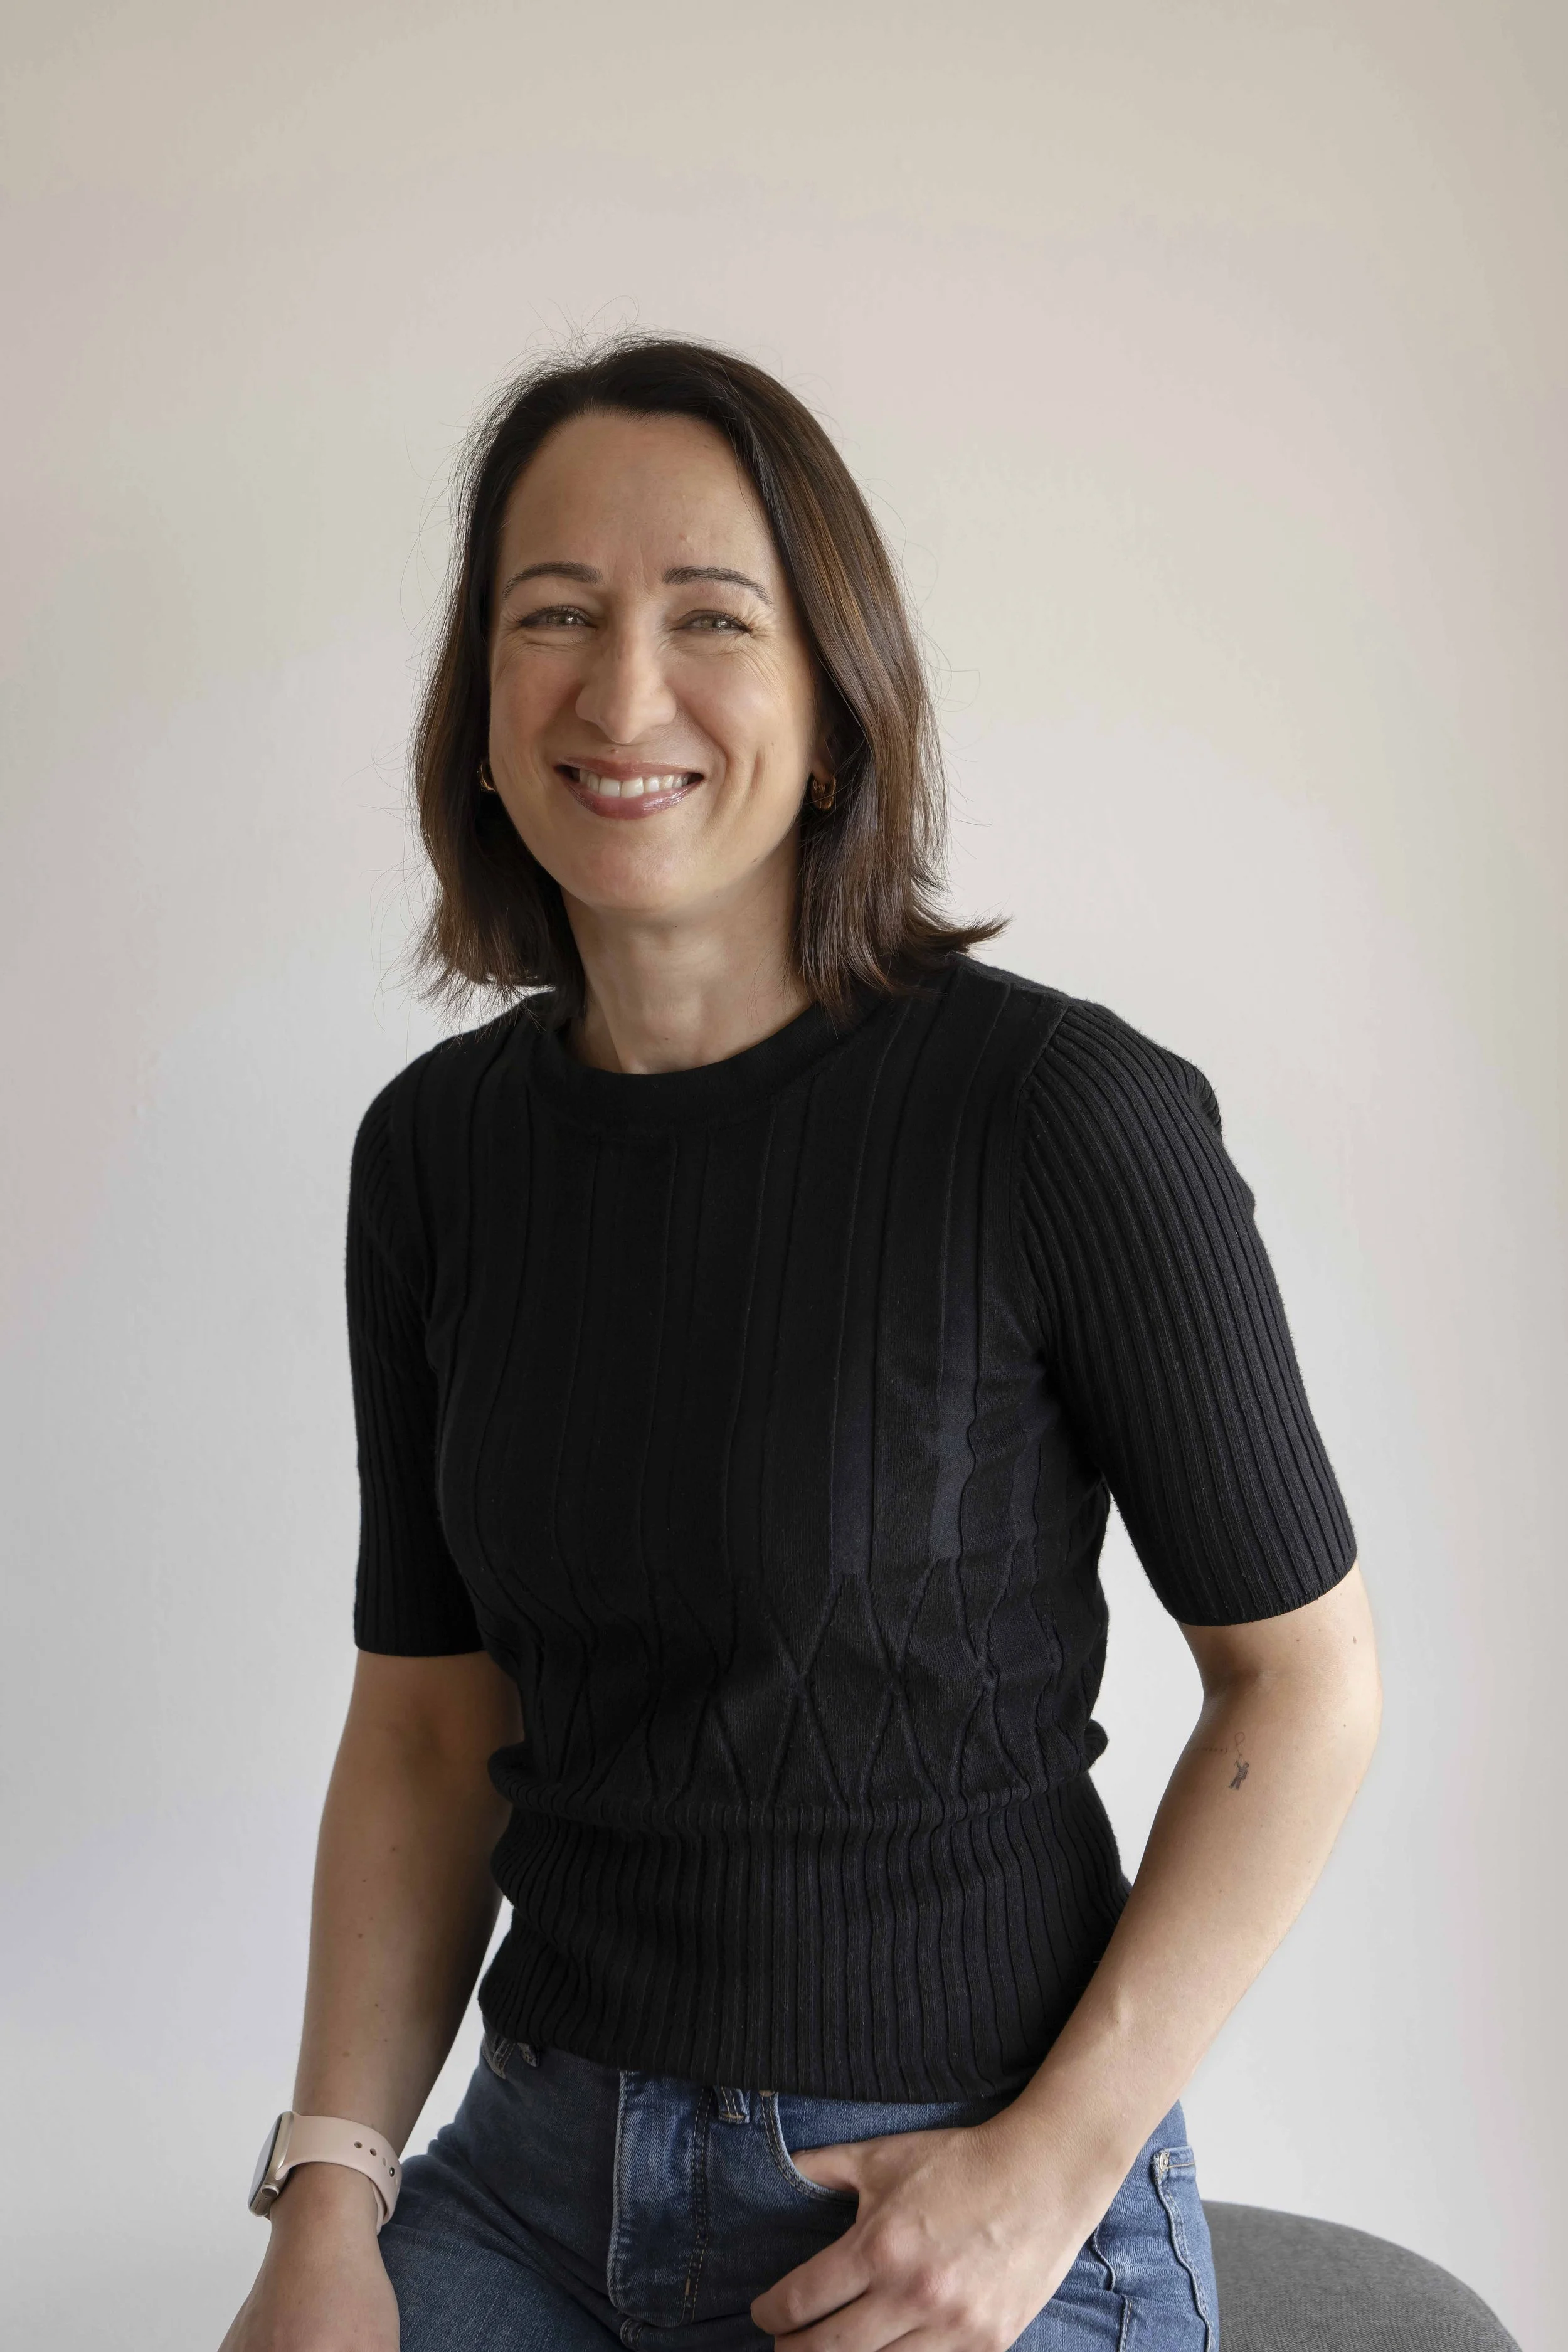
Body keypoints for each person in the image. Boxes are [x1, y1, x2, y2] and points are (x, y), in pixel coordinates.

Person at [220, 334, 1381, 2352]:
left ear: (837, 712)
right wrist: (329, 2190)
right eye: (550, 616)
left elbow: (1304, 1688)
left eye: (710, 619)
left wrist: (1043, 2174)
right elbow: (424, 1726)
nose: (620, 692)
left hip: (933, 2197)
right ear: (480, 709)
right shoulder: (435, 1156)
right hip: (524, 2185)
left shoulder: (1055, 1118)